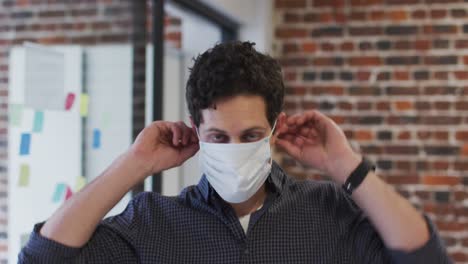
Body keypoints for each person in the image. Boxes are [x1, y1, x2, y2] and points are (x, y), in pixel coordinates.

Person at [19, 41, 451, 263]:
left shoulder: (328, 211)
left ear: (275, 128)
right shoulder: (152, 222)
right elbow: (42, 259)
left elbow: (424, 258)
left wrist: (345, 165)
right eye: (219, 137)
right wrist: (134, 165)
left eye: (249, 135)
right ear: (196, 133)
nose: (234, 149)